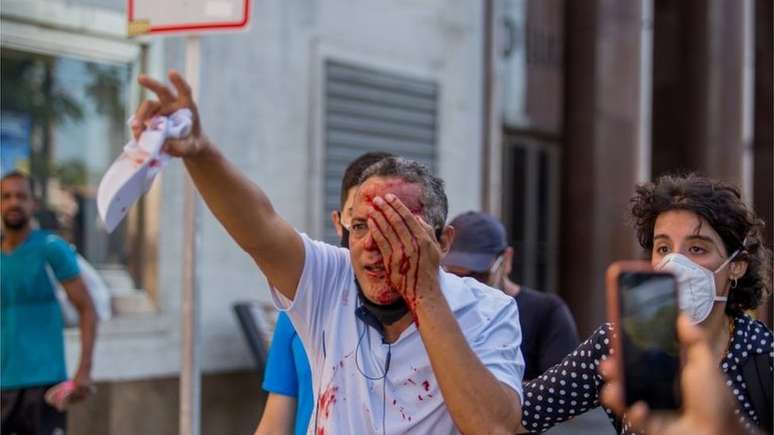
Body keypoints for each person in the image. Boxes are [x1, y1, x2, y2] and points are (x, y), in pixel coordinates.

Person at [132, 71, 525, 435]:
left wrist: (425, 295)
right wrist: (201, 154)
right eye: (360, 227)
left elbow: (495, 427)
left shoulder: (489, 312)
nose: (372, 245)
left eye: (397, 230)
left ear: (442, 242)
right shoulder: (329, 280)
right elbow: (259, 226)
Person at [518, 174, 772, 434]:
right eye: (663, 248)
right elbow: (518, 415)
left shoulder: (765, 354)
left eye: (697, 249)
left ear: (736, 267)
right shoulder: (620, 343)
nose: (675, 264)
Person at [256, 151, 393, 435]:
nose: (370, 241)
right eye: (358, 224)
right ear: (338, 221)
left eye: (381, 222)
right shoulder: (301, 306)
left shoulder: (422, 315)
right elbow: (275, 419)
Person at [1, 171, 98, 435]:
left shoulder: (51, 248)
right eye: (6, 196)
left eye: (21, 196)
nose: (13, 203)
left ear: (34, 203)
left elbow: (87, 309)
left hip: (44, 384)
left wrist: (84, 371)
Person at [442, 211, 579, 381]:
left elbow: (563, 389)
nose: (468, 284)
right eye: (455, 276)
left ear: (506, 260)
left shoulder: (547, 312)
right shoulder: (439, 309)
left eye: (479, 275)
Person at [600, 314, 764, 435]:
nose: (683, 266)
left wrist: (727, 430)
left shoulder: (763, 346)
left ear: (737, 268)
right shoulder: (614, 339)